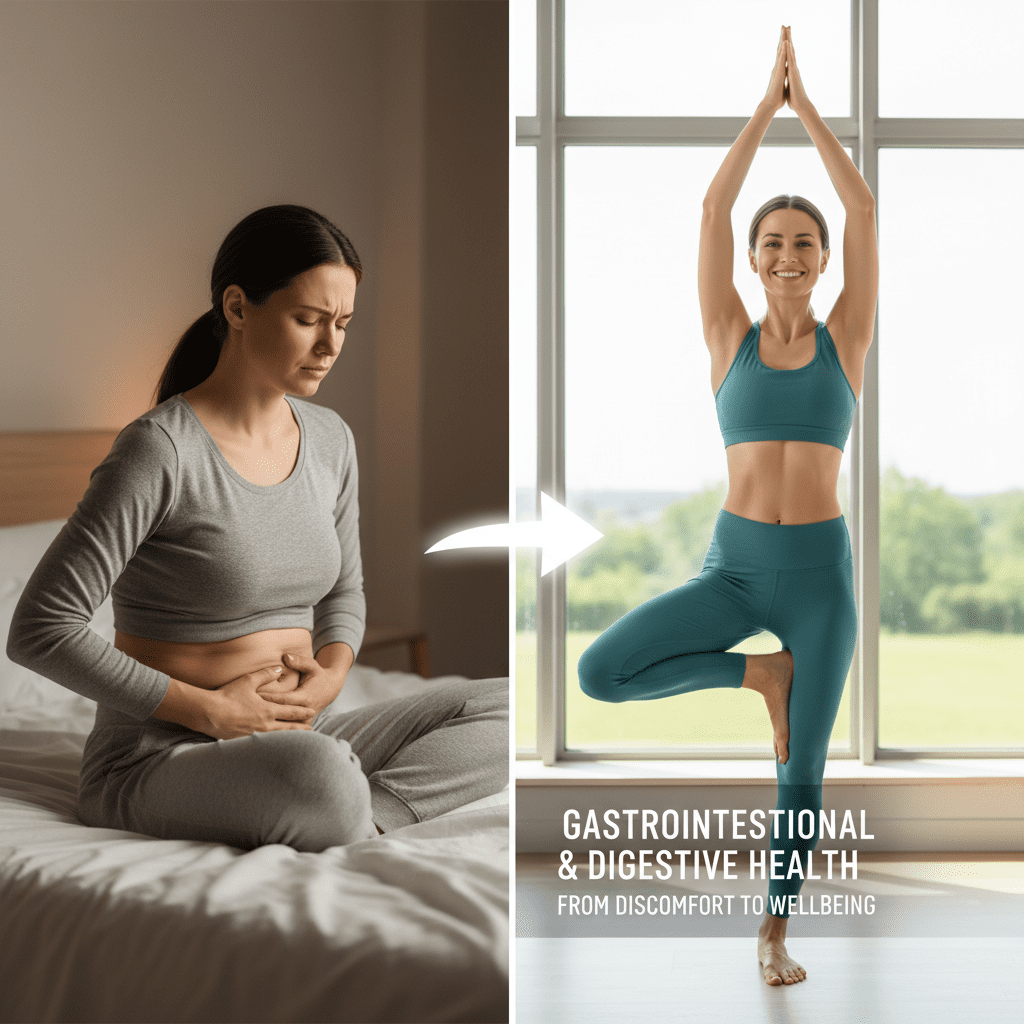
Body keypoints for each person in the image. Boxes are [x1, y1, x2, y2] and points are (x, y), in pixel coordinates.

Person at [7, 203, 508, 852]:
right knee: (321, 778)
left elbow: (344, 593)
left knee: (502, 707)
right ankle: (335, 801)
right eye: (308, 320)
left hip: (296, 739)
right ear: (238, 308)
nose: (331, 346)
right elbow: (41, 629)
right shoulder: (161, 449)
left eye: (343, 324)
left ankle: (361, 815)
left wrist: (331, 675)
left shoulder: (330, 439)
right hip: (161, 755)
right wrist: (213, 711)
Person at [576, 28, 878, 986]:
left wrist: (810, 113)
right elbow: (713, 203)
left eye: (804, 243)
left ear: (824, 260)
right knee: (602, 671)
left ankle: (774, 934)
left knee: (803, 775)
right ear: (753, 260)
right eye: (773, 243)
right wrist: (766, 107)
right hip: (736, 567)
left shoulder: (848, 340)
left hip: (821, 580)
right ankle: (763, 681)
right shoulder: (727, 338)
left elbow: (864, 203)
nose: (788, 255)